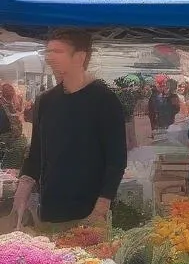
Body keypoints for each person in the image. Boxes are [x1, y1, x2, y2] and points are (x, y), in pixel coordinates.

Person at [14, 29, 127, 226]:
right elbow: (36, 153)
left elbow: (116, 159)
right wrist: (22, 190)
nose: (50, 58)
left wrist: (103, 203)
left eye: (58, 52)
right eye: (47, 52)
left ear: (80, 57)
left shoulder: (104, 100)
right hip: (50, 208)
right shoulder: (45, 101)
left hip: (89, 210)